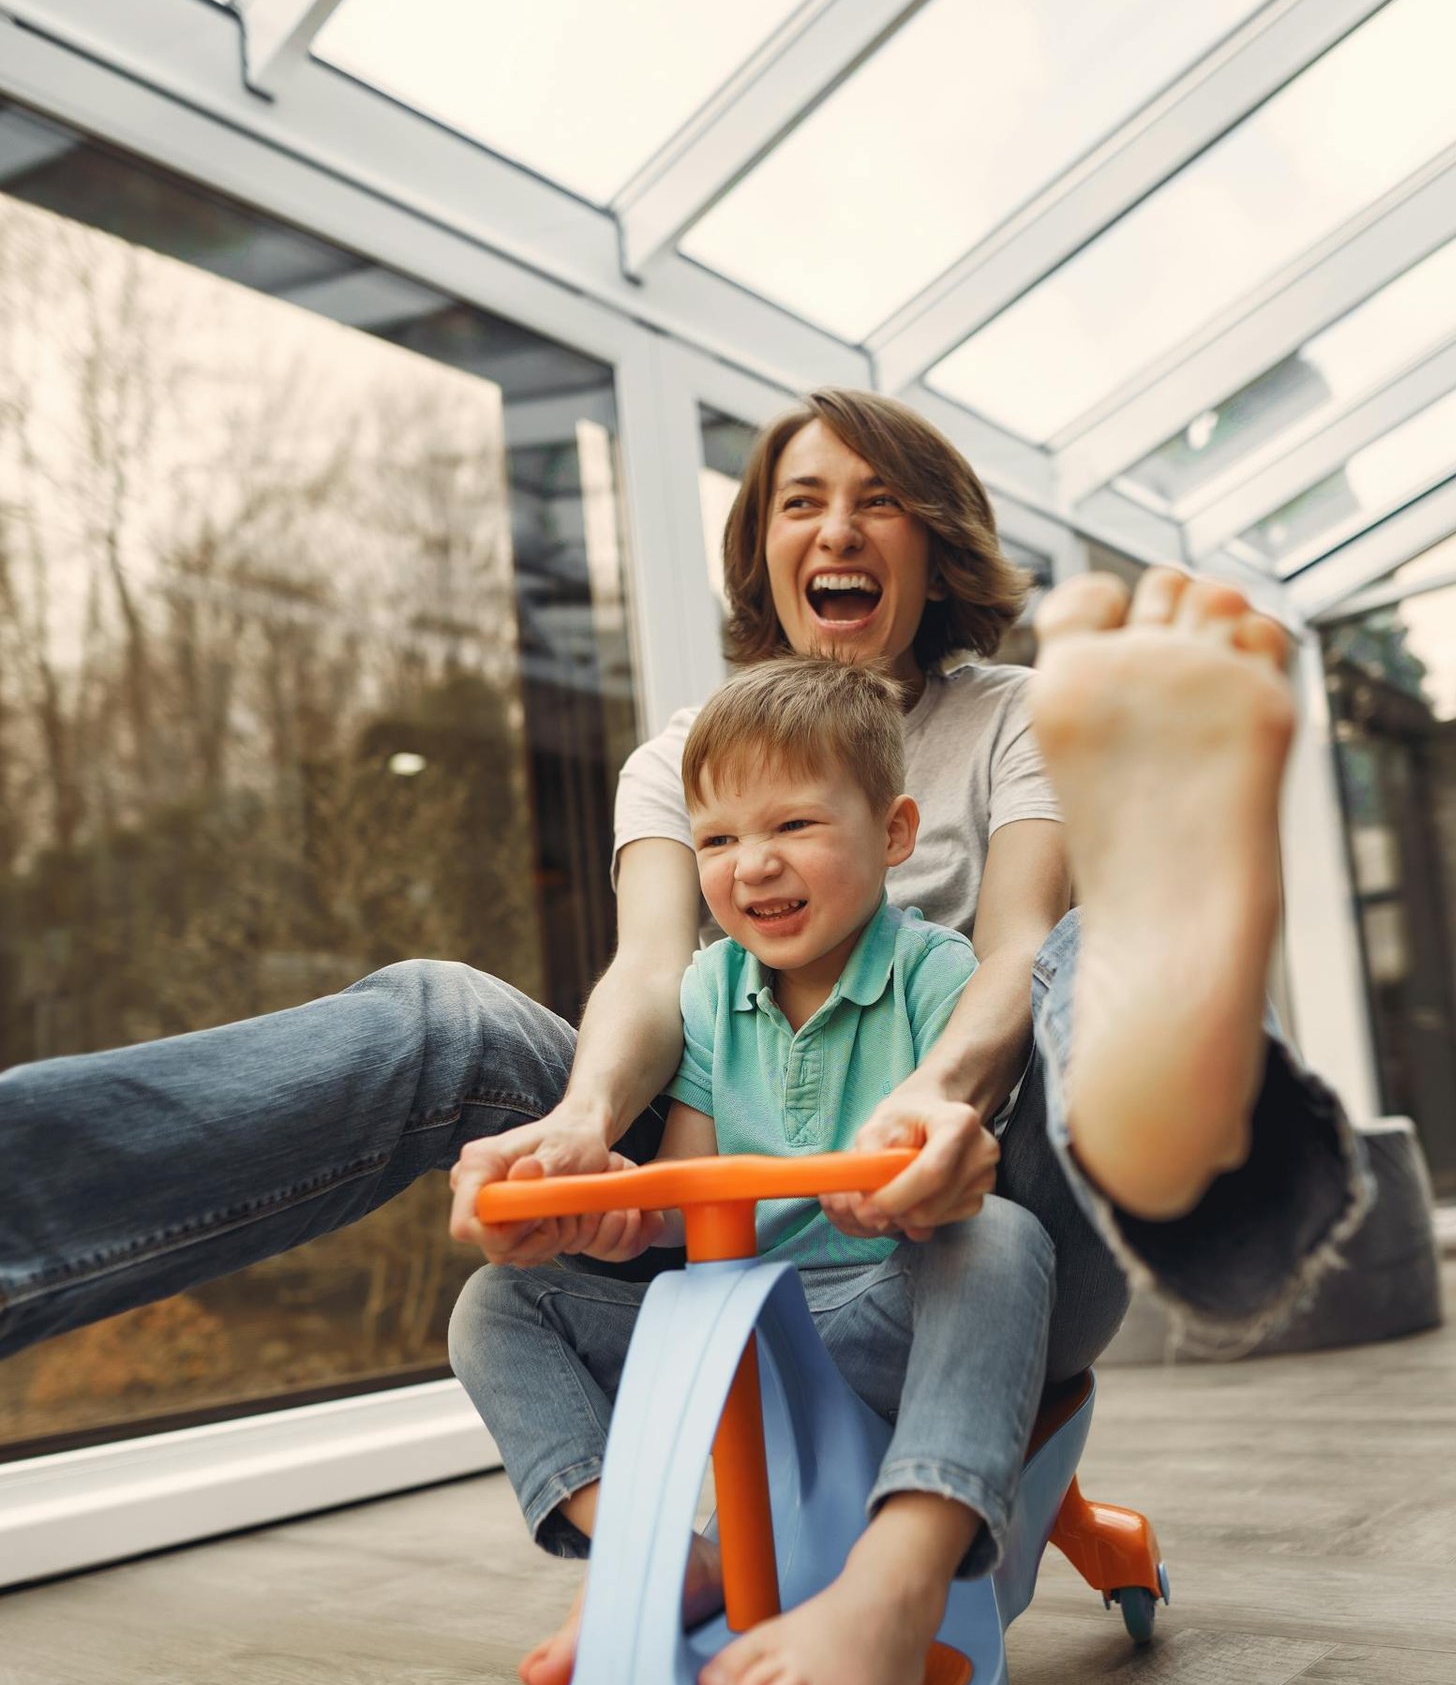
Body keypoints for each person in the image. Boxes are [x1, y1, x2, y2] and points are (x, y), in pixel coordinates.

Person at [1, 389, 1371, 1612]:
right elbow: (653, 975)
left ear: (931, 546)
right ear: (762, 550)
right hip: (742, 1209)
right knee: (441, 1015)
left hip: (981, 1198)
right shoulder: (680, 761)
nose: (839, 529)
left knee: (1088, 939)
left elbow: (1010, 945)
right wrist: (590, 1126)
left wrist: (935, 1099)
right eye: (802, 501)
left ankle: (1187, 1135)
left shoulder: (1028, 713)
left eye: (878, 502)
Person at [448, 654, 1056, 1685]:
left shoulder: (934, 977)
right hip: (726, 1321)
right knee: (497, 1308)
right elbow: (687, 1192)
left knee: (1003, 1243)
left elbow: (957, 1174)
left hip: (874, 1312)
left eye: (793, 827)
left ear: (896, 832)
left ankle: (900, 1576)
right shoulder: (705, 991)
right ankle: (649, 1559)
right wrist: (626, 1210)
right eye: (718, 840)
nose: (751, 866)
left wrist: (916, 1198)